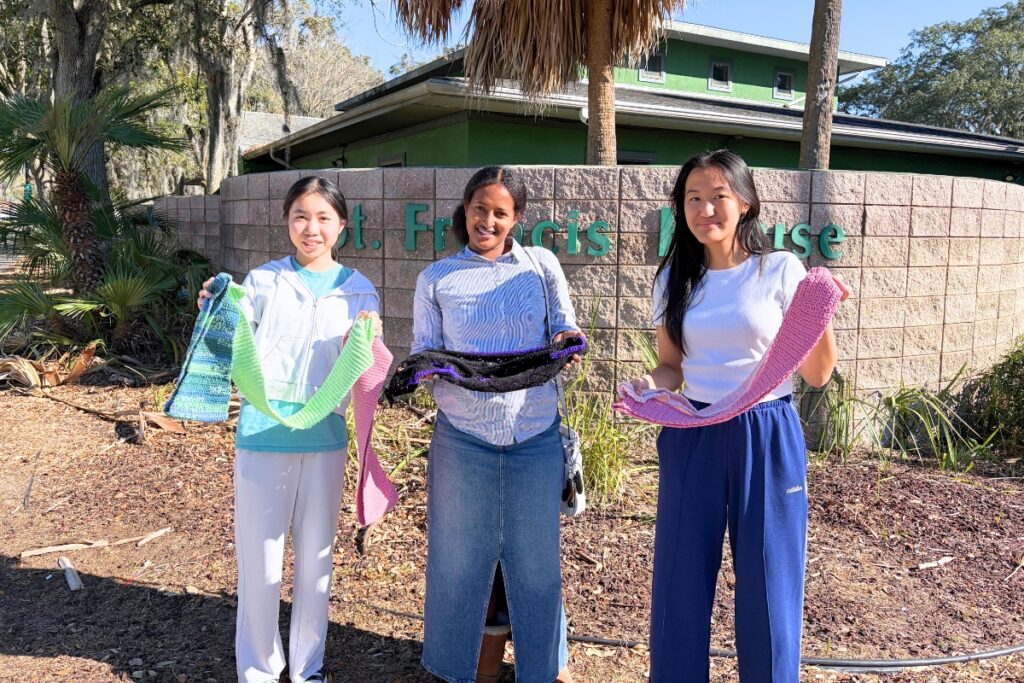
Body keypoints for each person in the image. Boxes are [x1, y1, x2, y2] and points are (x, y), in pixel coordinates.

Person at [624, 150, 849, 682]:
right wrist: (647, 387)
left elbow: (817, 373)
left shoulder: (781, 269)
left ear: (744, 203)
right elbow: (672, 366)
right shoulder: (673, 279)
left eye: (718, 196)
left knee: (770, 581)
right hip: (694, 432)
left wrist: (817, 309)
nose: (705, 209)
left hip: (766, 431)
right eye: (693, 199)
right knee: (680, 578)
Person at [197, 176, 382, 683]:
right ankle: (257, 669)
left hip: (325, 438)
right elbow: (232, 329)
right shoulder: (262, 281)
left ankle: (308, 667)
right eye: (301, 216)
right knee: (259, 561)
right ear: (286, 222)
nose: (311, 228)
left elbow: (366, 370)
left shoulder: (360, 291)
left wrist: (372, 337)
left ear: (343, 225)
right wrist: (215, 303)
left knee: (316, 562)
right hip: (264, 436)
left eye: (324, 218)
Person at [413, 166, 579, 683]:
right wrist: (427, 368)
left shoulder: (541, 265)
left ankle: (544, 666)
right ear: (465, 209)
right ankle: (459, 666)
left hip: (534, 431)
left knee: (536, 562)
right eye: (480, 208)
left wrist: (567, 344)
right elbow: (425, 350)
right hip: (463, 436)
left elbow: (564, 326)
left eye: (500, 212)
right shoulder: (436, 278)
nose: (488, 220)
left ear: (516, 219)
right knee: (458, 560)